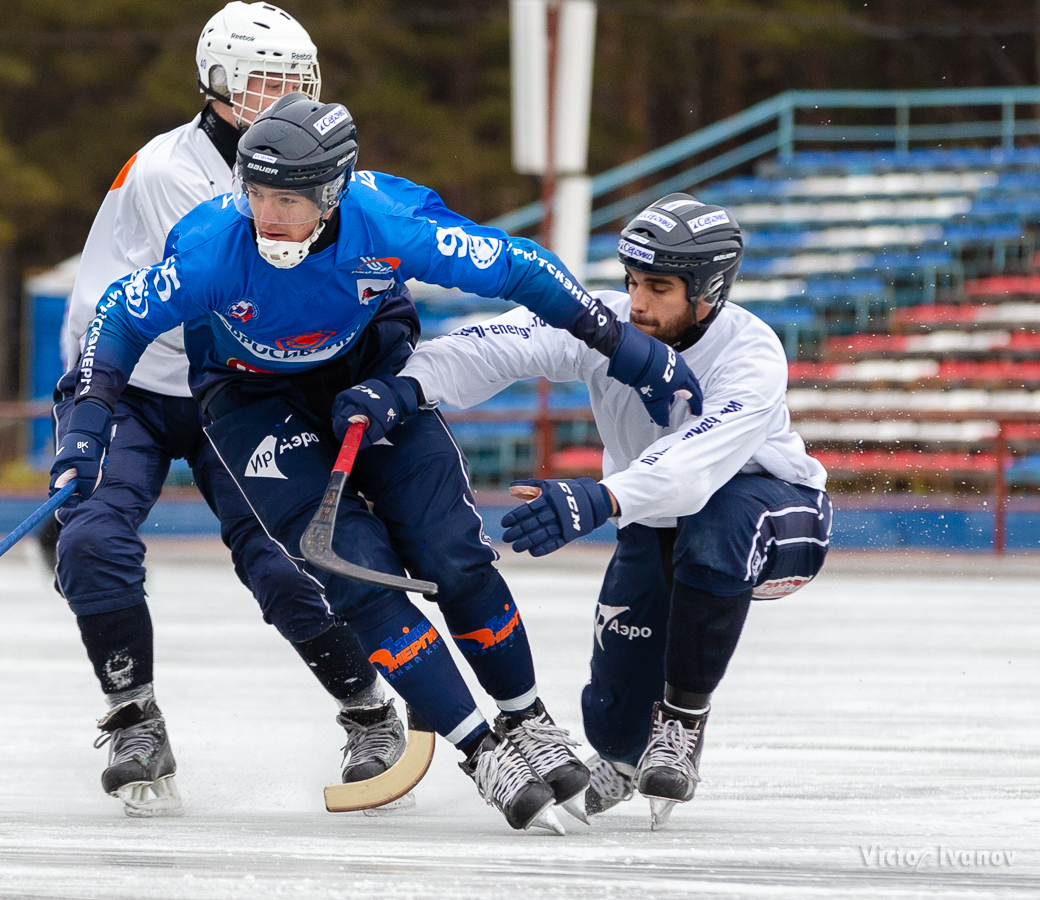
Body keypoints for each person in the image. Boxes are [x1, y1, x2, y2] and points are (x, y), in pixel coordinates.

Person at [51, 94, 704, 832]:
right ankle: (481, 747)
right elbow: (117, 322)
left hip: (367, 378)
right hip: (250, 402)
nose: (268, 214)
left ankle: (527, 718)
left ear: (331, 193)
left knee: (451, 554)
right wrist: (86, 427)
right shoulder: (210, 247)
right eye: (255, 192)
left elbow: (523, 269)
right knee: (349, 564)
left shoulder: (387, 222)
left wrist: (632, 350)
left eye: (289, 199)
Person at [47, 3, 406, 819]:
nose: (281, 100)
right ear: (216, 86)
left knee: (282, 560)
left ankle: (368, 710)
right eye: (263, 84)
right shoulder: (169, 174)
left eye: (296, 84)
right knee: (93, 539)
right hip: (133, 381)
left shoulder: (300, 163)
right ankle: (133, 717)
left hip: (233, 388)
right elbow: (240, 295)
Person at [397, 193, 831, 829]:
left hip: (776, 516)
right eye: (631, 282)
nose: (638, 304)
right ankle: (630, 755)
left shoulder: (751, 353)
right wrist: (403, 384)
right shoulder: (607, 326)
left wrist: (601, 496)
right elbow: (495, 346)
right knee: (611, 719)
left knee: (720, 522)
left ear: (708, 289)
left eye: (658, 287)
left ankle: (683, 723)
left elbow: (700, 463)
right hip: (651, 522)